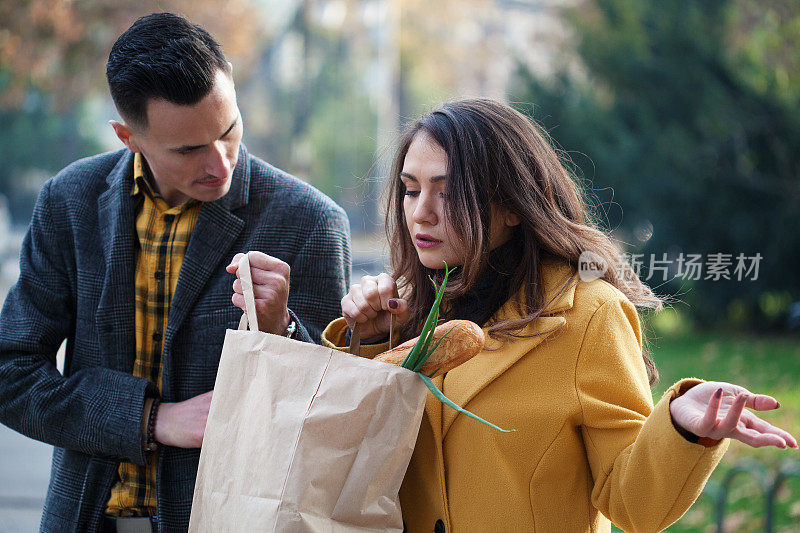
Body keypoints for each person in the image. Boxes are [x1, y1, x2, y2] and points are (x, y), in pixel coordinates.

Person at [320, 99, 797, 532]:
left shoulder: (590, 316)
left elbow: (633, 504)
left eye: (446, 192)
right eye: (409, 189)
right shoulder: (404, 311)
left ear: (510, 205)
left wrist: (679, 427)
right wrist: (370, 343)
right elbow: (342, 466)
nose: (420, 213)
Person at [0, 13, 350, 532]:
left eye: (228, 130)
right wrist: (151, 420)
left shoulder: (310, 222)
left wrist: (284, 333)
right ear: (128, 136)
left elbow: (334, 416)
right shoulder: (69, 202)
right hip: (84, 518)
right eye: (188, 149)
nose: (220, 164)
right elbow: (12, 375)